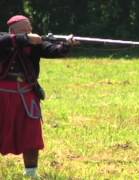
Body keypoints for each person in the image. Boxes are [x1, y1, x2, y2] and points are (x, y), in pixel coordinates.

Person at [0, 15, 78, 178]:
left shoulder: (35, 44)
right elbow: (5, 41)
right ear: (14, 30)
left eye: (30, 27)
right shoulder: (4, 39)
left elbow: (53, 50)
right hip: (2, 96)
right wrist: (24, 39)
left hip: (26, 95)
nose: (30, 30)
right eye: (25, 28)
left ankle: (31, 172)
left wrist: (65, 45)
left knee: (31, 133)